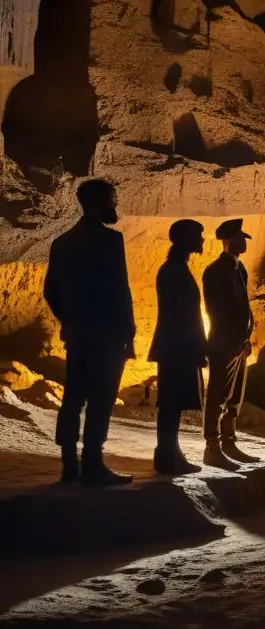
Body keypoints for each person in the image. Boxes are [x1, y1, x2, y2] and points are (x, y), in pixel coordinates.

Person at [43, 178, 135, 486]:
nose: (115, 204)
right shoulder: (110, 241)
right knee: (101, 398)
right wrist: (128, 333)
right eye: (112, 198)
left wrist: (70, 320)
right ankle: (93, 464)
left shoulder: (62, 242)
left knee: (73, 397)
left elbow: (51, 291)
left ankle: (70, 465)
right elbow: (120, 291)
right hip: (107, 335)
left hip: (78, 334)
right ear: (99, 202)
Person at [148, 219, 206, 475]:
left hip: (176, 345)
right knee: (171, 402)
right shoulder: (174, 271)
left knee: (173, 402)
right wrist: (197, 346)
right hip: (177, 346)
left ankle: (170, 454)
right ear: (186, 239)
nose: (202, 240)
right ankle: (167, 456)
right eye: (199, 235)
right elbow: (182, 316)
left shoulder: (175, 268)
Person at [202, 218, 256, 468]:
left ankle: (229, 442)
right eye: (239, 239)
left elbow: (243, 305)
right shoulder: (216, 271)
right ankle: (212, 445)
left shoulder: (238, 268)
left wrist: (245, 338)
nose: (243, 243)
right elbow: (217, 311)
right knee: (218, 394)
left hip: (238, 343)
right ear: (227, 241)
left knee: (234, 396)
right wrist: (233, 340)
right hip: (224, 343)